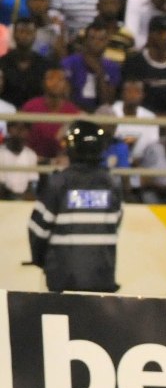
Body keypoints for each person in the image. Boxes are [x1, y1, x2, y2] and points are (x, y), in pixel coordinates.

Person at [27, 120, 123, 293]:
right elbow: (115, 224)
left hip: (62, 280)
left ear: (70, 147)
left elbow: (37, 229)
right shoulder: (111, 185)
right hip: (102, 279)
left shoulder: (58, 183)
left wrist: (42, 261)